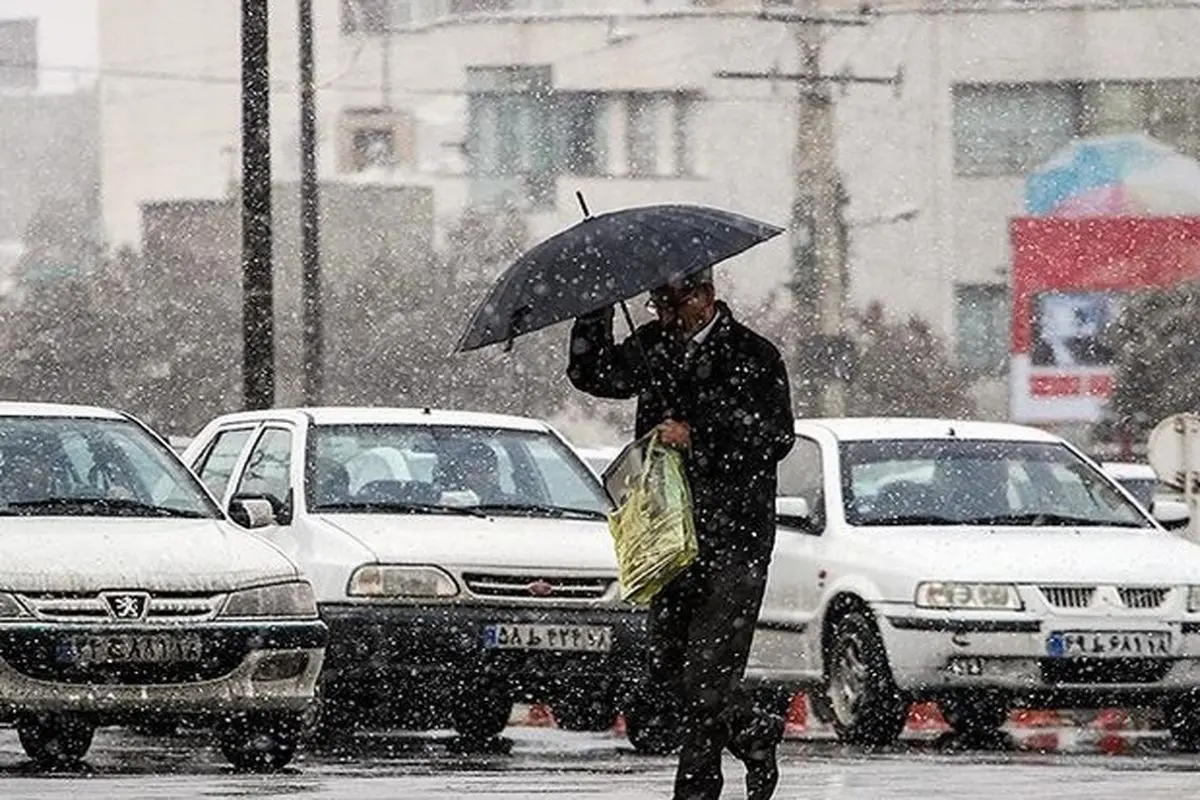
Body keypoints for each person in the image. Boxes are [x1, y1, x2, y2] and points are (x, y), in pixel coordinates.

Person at [566, 269, 796, 800]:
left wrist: (699, 435)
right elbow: (593, 373)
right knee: (668, 668)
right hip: (668, 535)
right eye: (655, 306)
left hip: (735, 537)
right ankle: (753, 731)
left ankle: (696, 788)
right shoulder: (654, 349)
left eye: (671, 304)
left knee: (708, 671)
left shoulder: (754, 355)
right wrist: (598, 305)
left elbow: (775, 437)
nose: (663, 315)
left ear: (704, 297)